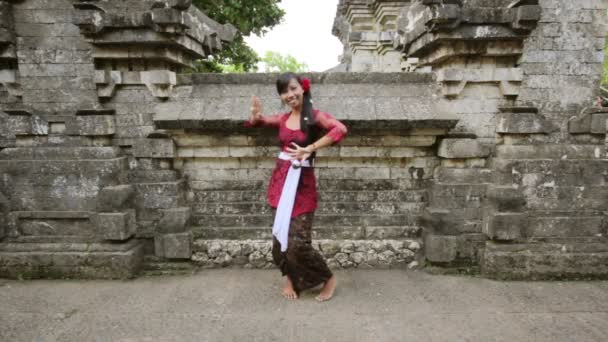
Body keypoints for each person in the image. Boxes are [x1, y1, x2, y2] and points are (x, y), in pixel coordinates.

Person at [245, 73, 348, 301]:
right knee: (280, 238)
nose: (289, 95)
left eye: (292, 89)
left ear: (302, 89)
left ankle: (327, 278)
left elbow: (339, 129)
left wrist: (310, 147)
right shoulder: (283, 119)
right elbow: (260, 122)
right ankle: (291, 278)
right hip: (280, 184)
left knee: (299, 243)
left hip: (302, 185)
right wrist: (254, 115)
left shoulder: (315, 117)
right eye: (284, 92)